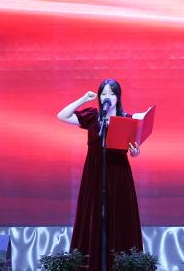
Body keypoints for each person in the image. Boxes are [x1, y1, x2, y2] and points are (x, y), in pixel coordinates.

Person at [58, 79, 145, 270]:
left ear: (118, 97)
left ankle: (121, 265)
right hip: (94, 174)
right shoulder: (92, 117)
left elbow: (134, 150)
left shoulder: (127, 119)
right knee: (94, 216)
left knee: (119, 217)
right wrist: (83, 99)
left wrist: (135, 152)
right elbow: (62, 116)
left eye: (112, 93)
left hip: (119, 174)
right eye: (103, 93)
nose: (107, 97)